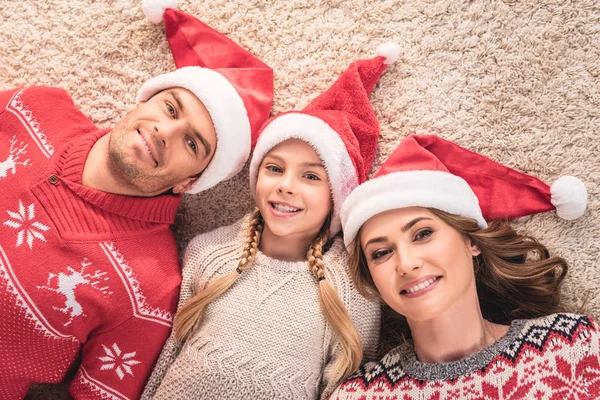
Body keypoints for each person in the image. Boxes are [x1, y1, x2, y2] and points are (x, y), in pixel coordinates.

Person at [0, 1, 273, 398]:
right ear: (142, 101)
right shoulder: (34, 109)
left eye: (192, 142)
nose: (166, 131)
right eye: (169, 107)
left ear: (190, 181)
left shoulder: (151, 287)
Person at [141, 42, 401, 400]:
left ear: (336, 197)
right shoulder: (208, 251)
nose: (286, 186)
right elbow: (170, 352)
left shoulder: (353, 289)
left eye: (311, 177)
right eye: (274, 168)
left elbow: (344, 388)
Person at [329, 134, 598, 399]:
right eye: (382, 252)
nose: (407, 264)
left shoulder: (576, 345)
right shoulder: (358, 395)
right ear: (370, 278)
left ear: (471, 242)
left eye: (423, 234)